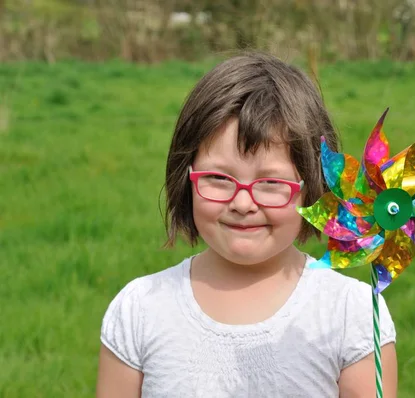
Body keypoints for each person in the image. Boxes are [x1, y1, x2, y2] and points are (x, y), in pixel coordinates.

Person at [96, 51, 397, 398]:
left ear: (313, 188)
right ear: (186, 177)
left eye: (272, 184)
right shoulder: (139, 309)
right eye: (218, 178)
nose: (242, 203)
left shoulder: (351, 314)